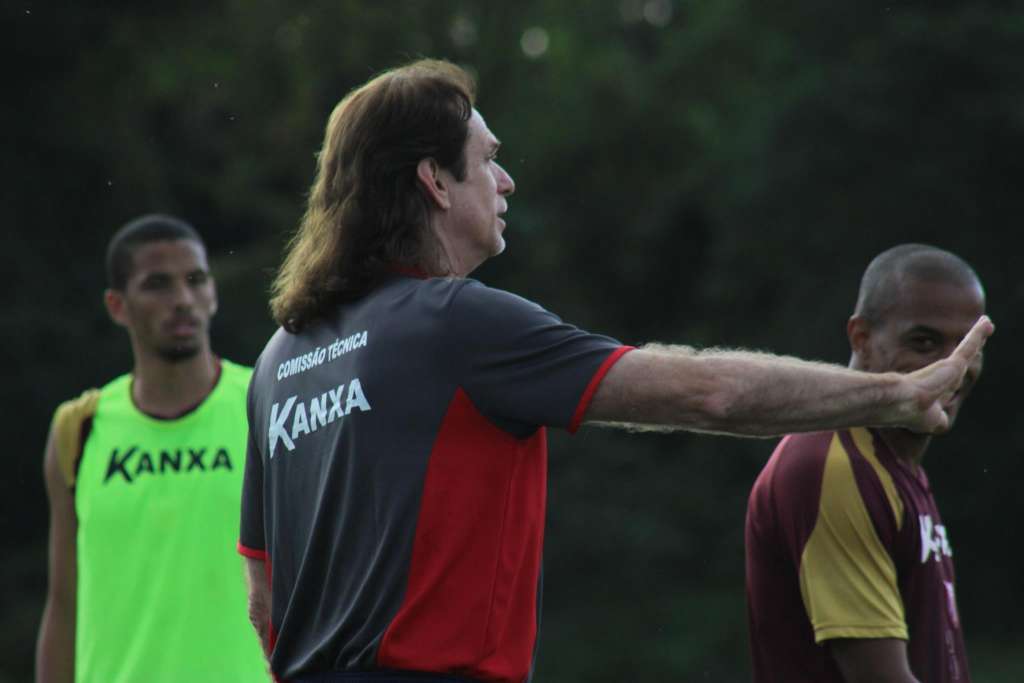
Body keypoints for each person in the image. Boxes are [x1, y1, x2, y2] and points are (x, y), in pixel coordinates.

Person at [239, 59, 992, 683]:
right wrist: (897, 391)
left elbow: (263, 600)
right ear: (434, 180)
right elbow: (713, 392)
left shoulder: (279, 358)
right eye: (490, 161)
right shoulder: (455, 320)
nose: (506, 183)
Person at [36, 215, 269, 683]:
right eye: (157, 285)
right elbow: (64, 605)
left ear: (213, 293)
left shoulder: (263, 404)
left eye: (196, 280)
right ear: (117, 306)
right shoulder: (79, 429)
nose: (183, 300)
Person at [744, 244, 986, 683]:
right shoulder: (835, 468)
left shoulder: (892, 462)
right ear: (861, 338)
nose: (953, 369)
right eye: (925, 342)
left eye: (968, 345)